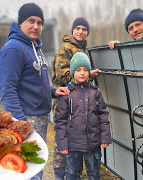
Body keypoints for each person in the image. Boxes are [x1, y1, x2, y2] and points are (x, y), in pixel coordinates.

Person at [0, 3, 69, 179]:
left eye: (39, 22)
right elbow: (7, 90)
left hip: (39, 119)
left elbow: (34, 82)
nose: (36, 26)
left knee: (36, 168)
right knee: (27, 171)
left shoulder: (34, 47)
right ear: (21, 23)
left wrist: (53, 91)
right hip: (26, 119)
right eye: (31, 21)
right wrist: (20, 123)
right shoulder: (13, 49)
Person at [52, 17, 99, 179]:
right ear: (72, 30)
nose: (81, 31)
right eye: (78, 28)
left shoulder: (83, 51)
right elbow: (61, 78)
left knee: (74, 144)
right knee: (61, 142)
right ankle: (59, 175)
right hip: (65, 102)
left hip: (80, 104)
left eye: (84, 29)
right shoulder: (65, 49)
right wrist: (88, 75)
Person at [55, 52, 112, 180]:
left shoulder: (95, 91)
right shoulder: (67, 93)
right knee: (72, 173)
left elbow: (103, 114)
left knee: (94, 172)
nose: (82, 73)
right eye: (78, 70)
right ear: (72, 72)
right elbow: (60, 121)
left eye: (85, 70)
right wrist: (62, 144)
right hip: (73, 145)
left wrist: (105, 137)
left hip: (93, 143)